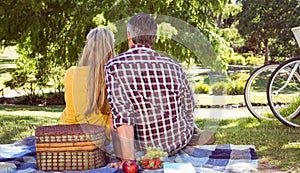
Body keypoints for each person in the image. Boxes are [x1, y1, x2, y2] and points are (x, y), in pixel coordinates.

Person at [105, 13, 195, 168]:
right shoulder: (173, 65)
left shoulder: (115, 65)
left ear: (129, 36)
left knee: (114, 119)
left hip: (143, 148)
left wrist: (128, 161)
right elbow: (189, 106)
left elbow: (123, 116)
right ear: (155, 38)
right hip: (177, 141)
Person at [59, 28, 115, 142]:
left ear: (87, 48)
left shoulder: (72, 74)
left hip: (65, 135)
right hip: (100, 138)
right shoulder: (114, 76)